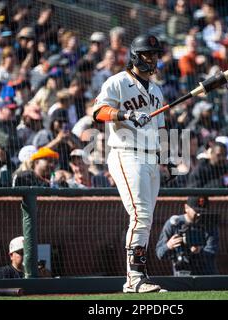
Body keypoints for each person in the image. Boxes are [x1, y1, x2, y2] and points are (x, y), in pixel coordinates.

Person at [93, 34, 167, 293]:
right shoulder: (118, 82)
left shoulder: (156, 90)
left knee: (145, 219)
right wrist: (126, 114)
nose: (153, 58)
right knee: (140, 215)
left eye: (156, 54)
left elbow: (161, 130)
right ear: (136, 56)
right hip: (126, 152)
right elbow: (98, 111)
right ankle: (135, 278)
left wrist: (165, 162)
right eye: (148, 54)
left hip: (150, 157)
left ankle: (137, 276)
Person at [156, 196, 219, 276]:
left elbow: (213, 251)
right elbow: (159, 253)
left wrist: (199, 251)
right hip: (183, 274)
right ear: (186, 208)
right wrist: (169, 245)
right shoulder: (174, 224)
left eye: (203, 211)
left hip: (206, 274)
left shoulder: (209, 224)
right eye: (196, 211)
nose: (199, 214)